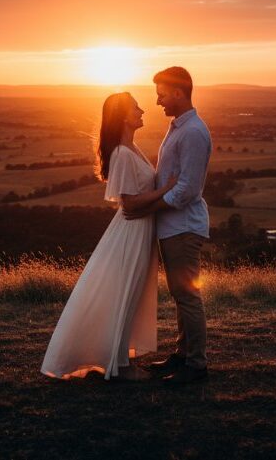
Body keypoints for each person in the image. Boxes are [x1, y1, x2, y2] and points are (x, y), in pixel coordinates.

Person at [41, 92, 176, 381]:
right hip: (131, 232)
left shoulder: (131, 148)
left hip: (139, 230)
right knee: (125, 293)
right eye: (136, 107)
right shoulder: (122, 153)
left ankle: (118, 357)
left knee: (130, 293)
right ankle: (120, 367)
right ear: (124, 116)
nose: (142, 111)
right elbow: (129, 203)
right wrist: (168, 189)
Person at [124, 66, 212, 385]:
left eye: (161, 94)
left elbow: (187, 189)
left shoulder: (193, 132)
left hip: (183, 227)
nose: (157, 101)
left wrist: (149, 206)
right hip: (172, 226)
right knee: (180, 294)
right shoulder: (179, 127)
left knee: (187, 295)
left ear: (177, 92)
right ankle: (182, 355)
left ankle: (196, 365)